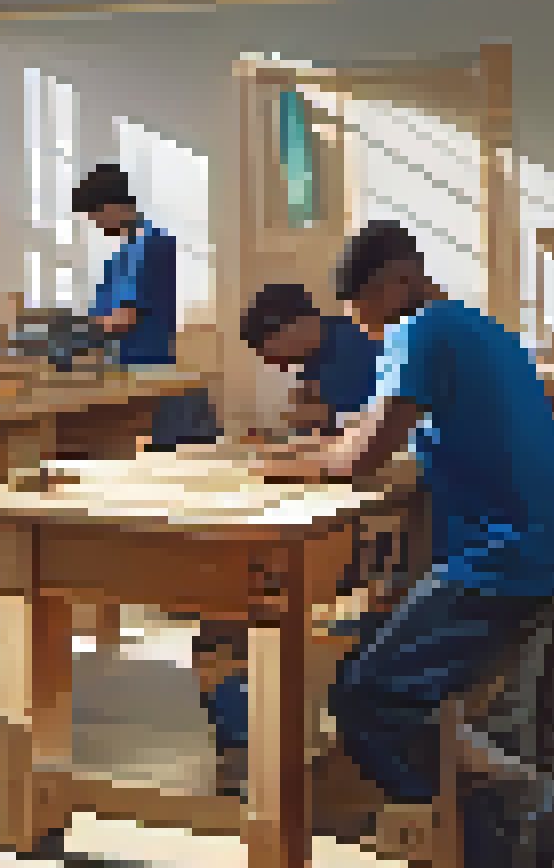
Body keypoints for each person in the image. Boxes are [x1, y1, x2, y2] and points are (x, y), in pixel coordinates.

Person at [312, 221, 554, 865]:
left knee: (371, 698)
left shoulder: (418, 330)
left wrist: (298, 462)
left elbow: (365, 454)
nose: (364, 329)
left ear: (396, 281)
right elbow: (386, 423)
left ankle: (514, 821)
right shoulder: (480, 326)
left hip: (514, 558)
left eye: (363, 311)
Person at [193, 282, 390, 794]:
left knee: (226, 608)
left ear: (296, 328)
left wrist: (294, 445)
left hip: (353, 528)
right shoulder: (328, 352)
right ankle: (246, 738)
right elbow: (313, 423)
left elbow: (339, 441)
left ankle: (243, 743)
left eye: (269, 349)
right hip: (355, 517)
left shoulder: (346, 352)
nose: (273, 364)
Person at [71, 164, 219, 447]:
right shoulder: (120, 256)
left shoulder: (150, 244)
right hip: (122, 371)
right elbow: (101, 318)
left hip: (146, 375)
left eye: (95, 216)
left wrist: (64, 330)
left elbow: (121, 319)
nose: (96, 225)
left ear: (113, 206)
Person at [240, 282, 381, 434]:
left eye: (272, 351)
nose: (274, 362)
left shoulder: (358, 341)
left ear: (293, 327)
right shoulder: (309, 358)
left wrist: (323, 415)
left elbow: (382, 413)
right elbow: (308, 422)